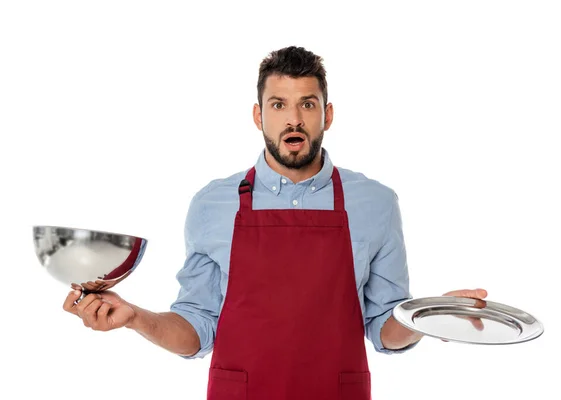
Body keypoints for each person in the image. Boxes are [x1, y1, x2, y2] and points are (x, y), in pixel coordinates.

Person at [63, 46, 488, 400]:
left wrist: (427, 317)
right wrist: (135, 316)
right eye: (278, 104)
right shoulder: (212, 203)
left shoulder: (376, 202)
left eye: (308, 104)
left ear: (328, 114)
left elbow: (383, 330)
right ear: (258, 115)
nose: (294, 119)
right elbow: (195, 329)